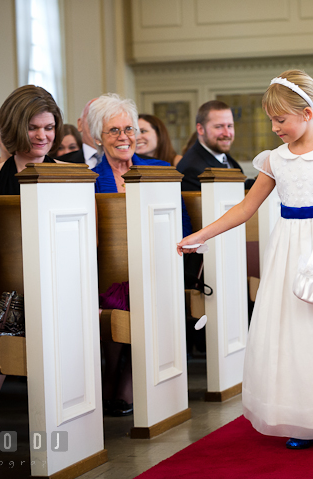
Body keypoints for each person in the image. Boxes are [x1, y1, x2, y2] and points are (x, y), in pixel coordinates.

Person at [177, 70, 313, 449]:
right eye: (271, 120)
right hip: (290, 251)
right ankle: (306, 420)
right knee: (299, 334)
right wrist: (202, 234)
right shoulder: (274, 160)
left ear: (307, 113)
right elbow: (247, 207)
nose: (275, 127)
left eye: (280, 119)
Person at [88, 93, 192, 416]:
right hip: (106, 270)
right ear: (97, 137)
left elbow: (183, 225)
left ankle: (127, 375)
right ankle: (114, 372)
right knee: (117, 291)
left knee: (137, 289)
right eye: (114, 131)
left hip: (157, 267)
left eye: (129, 129)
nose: (124, 138)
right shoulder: (88, 179)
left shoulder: (160, 170)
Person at [0, 85, 62, 196]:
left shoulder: (73, 174)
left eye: (49, 128)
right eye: (32, 128)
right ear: (13, 128)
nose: (42, 136)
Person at [176, 100, 243, 191]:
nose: (227, 133)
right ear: (200, 129)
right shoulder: (191, 169)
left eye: (230, 126)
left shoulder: (223, 156)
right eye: (219, 127)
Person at [57, 99, 101, 168]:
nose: (98, 125)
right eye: (92, 118)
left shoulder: (122, 160)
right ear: (80, 124)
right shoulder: (59, 163)